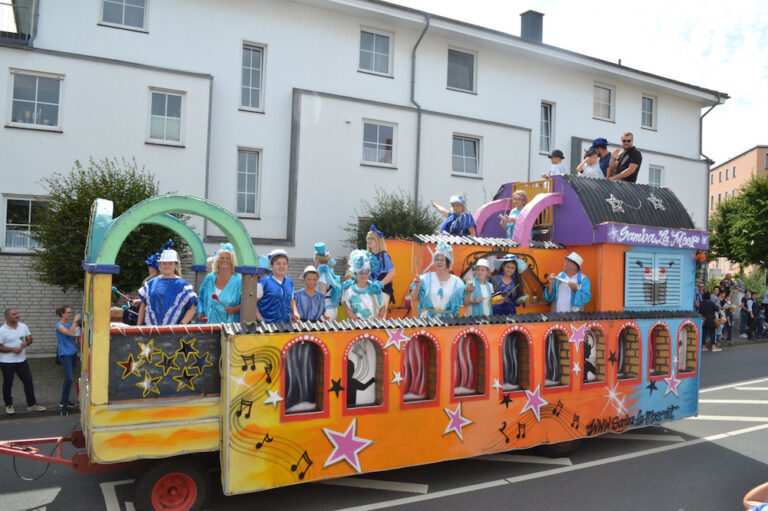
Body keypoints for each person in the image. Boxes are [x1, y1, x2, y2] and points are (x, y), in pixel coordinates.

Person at [0, 309, 46, 415]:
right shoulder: (2, 330)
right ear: (7, 317)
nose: (17, 315)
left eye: (17, 313)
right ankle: (9, 405)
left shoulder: (23, 326)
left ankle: (31, 404)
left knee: (28, 381)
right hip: (7, 362)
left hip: (21, 360)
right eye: (14, 314)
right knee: (8, 383)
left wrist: (27, 343)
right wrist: (12, 349)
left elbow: (30, 339)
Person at [138, 249, 197, 325]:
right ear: (160, 265)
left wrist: (181, 325)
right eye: (164, 263)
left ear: (175, 265)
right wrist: (138, 326)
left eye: (170, 263)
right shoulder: (151, 283)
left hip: (174, 334)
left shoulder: (182, 285)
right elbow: (143, 306)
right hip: (151, 331)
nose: (167, 266)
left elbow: (192, 309)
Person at [409, 242, 466, 319]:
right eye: (437, 259)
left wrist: (469, 290)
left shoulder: (457, 282)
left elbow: (465, 297)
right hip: (427, 321)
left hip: (448, 322)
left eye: (442, 260)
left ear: (448, 262)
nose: (439, 262)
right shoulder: (424, 279)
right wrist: (417, 287)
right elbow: (413, 298)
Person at [197, 244, 242, 323]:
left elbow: (247, 303)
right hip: (207, 326)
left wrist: (235, 309)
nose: (224, 260)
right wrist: (200, 311)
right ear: (217, 261)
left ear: (233, 262)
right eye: (221, 258)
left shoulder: (238, 280)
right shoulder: (209, 278)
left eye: (228, 258)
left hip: (228, 327)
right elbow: (200, 297)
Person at [256, 249, 298, 324]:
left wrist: (294, 312)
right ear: (271, 266)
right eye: (278, 263)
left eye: (284, 264)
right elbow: (252, 304)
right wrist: (262, 320)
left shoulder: (289, 282)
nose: (281, 266)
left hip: (286, 326)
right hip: (268, 327)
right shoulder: (263, 283)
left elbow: (291, 299)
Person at [342, 250, 385, 321]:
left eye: (366, 272)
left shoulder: (375, 288)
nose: (364, 275)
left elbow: (382, 306)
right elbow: (347, 308)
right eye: (361, 272)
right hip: (356, 326)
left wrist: (378, 319)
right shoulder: (349, 290)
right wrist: (356, 321)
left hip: (373, 325)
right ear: (355, 274)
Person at [55, 306, 81, 415]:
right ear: (62, 314)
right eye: (68, 313)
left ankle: (64, 401)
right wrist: (75, 321)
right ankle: (64, 406)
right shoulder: (59, 325)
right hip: (65, 354)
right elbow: (69, 333)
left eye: (71, 313)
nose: (70, 315)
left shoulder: (71, 324)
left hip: (73, 353)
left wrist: (80, 330)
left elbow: (75, 337)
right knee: (69, 378)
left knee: (70, 378)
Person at [366, 225, 396, 314]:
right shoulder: (367, 256)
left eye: (372, 239)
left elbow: (392, 273)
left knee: (380, 317)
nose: (369, 241)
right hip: (369, 290)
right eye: (368, 238)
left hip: (382, 291)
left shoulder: (383, 256)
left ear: (378, 241)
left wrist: (379, 284)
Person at [314, 242, 341, 321]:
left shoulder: (322, 274)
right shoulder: (330, 272)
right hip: (332, 308)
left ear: (317, 260)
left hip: (324, 311)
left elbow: (322, 295)